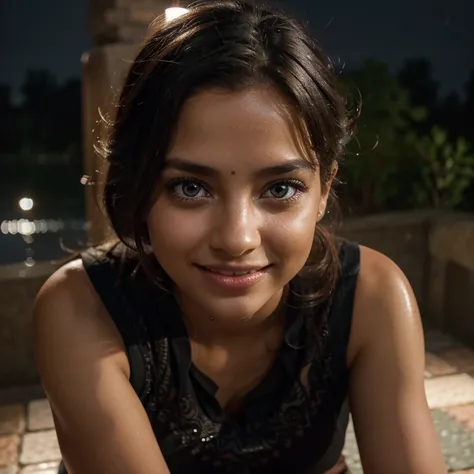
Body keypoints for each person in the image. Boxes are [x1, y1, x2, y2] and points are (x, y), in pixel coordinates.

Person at [33, 1, 447, 473]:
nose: (236, 238)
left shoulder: (372, 297)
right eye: (190, 188)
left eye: (280, 188)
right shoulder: (82, 310)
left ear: (323, 190)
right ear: (139, 184)